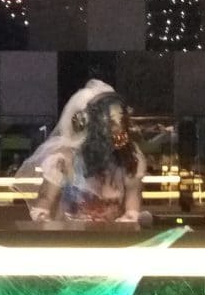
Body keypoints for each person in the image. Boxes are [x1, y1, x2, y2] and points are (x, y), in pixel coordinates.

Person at [17, 80, 145, 222]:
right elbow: (45, 201)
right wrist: (42, 217)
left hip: (112, 234)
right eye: (109, 123)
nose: (116, 131)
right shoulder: (64, 159)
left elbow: (133, 203)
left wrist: (130, 217)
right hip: (70, 234)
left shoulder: (129, 158)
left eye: (119, 122)